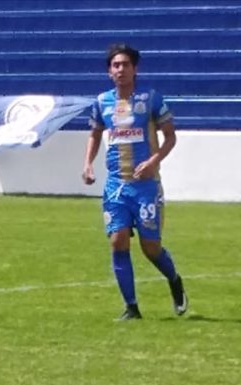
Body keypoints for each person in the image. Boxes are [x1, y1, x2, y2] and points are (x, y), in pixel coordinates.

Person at [82, 44, 188, 320]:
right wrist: (88, 164)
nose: (120, 70)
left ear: (135, 69)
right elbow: (95, 134)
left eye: (125, 64)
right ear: (109, 72)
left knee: (150, 248)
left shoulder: (151, 99)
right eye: (115, 65)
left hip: (145, 186)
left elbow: (170, 137)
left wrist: (154, 161)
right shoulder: (102, 102)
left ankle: (175, 280)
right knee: (118, 241)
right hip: (116, 186)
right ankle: (131, 308)